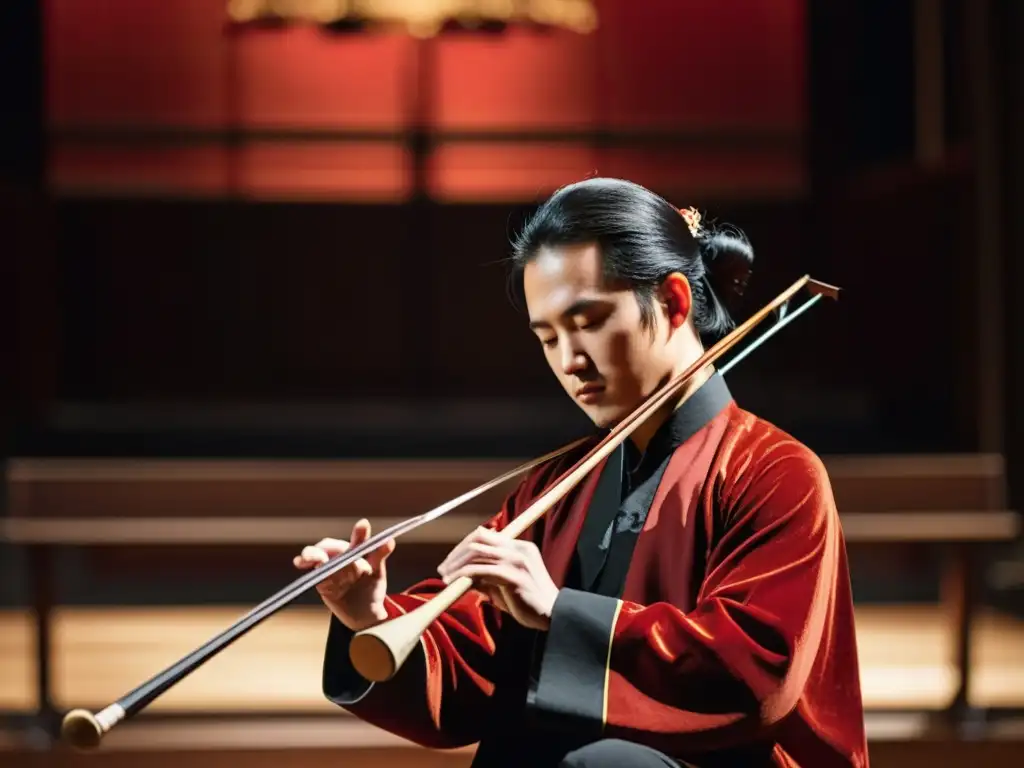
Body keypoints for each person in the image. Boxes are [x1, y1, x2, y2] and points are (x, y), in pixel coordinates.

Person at [294, 178, 869, 767]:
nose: (569, 361)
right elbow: (474, 662)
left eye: (588, 321)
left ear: (673, 301)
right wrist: (369, 615)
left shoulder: (774, 472)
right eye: (548, 338)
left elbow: (754, 673)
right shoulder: (553, 488)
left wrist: (557, 611)